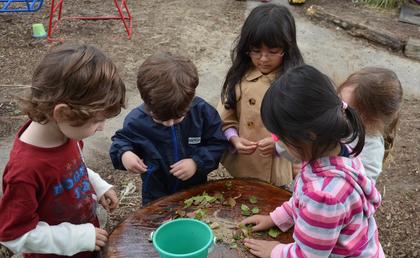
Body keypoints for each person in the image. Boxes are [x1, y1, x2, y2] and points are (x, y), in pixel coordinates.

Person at [241, 65, 384, 258]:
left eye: (280, 138)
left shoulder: (323, 196)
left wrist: (274, 251)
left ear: (308, 136)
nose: (278, 142)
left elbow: (308, 255)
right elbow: (300, 200)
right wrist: (275, 218)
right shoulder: (337, 148)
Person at [0, 44, 126, 258]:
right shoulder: (25, 170)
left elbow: (74, 168)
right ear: (63, 113)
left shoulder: (66, 133)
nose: (102, 128)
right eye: (97, 121)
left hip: (87, 243)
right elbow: (14, 235)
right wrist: (78, 237)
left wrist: (98, 185)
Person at [109, 52, 228, 205]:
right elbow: (121, 141)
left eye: (178, 118)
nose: (169, 123)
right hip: (155, 193)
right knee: (157, 223)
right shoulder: (137, 121)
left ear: (190, 101)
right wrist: (125, 154)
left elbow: (217, 143)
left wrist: (196, 162)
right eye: (160, 119)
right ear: (146, 102)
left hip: (195, 190)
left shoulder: (202, 113)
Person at [217, 3, 304, 186]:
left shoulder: (294, 82)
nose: (263, 59)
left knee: (271, 201)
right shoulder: (239, 75)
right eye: (256, 51)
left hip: (276, 167)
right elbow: (226, 116)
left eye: (273, 51)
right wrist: (234, 138)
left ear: (287, 47)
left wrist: (278, 144)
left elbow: (302, 126)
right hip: (243, 161)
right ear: (246, 47)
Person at [337, 67, 403, 183]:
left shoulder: (371, 153)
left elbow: (346, 189)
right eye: (338, 101)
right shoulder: (344, 120)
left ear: (372, 120)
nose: (338, 110)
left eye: (347, 110)